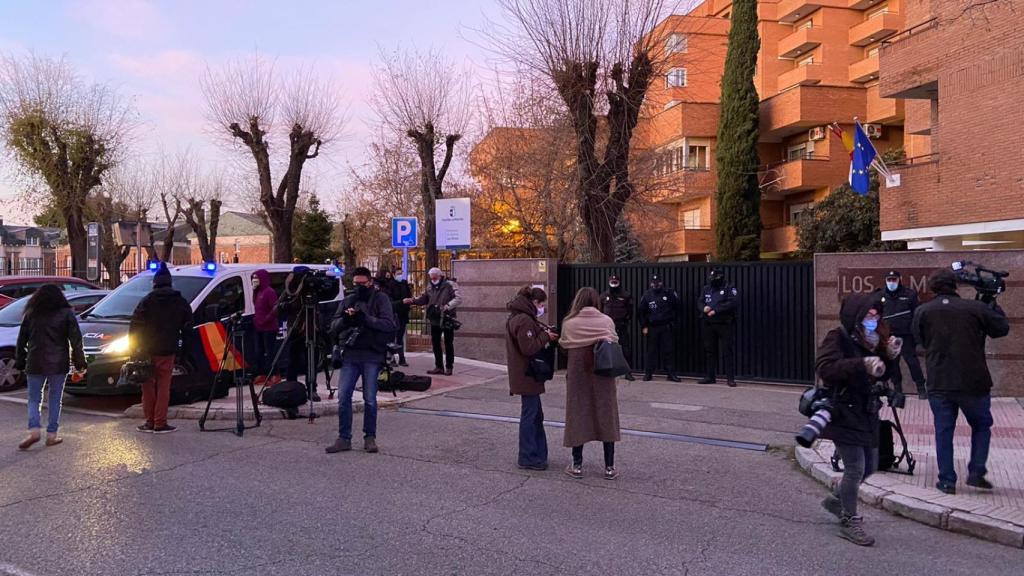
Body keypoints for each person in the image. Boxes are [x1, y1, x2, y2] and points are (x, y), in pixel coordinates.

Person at [912, 269, 1009, 495]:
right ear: (955, 286)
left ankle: (947, 481)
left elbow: (920, 340)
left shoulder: (923, 311)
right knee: (981, 425)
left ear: (933, 288)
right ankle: (976, 472)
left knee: (943, 431)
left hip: (939, 381)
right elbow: (1001, 328)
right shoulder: (975, 308)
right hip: (973, 381)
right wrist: (991, 303)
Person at [816, 293, 902, 547]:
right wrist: (860, 363)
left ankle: (837, 499)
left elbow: (882, 373)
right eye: (868, 314)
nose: (873, 319)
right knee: (854, 468)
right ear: (856, 315)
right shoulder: (839, 336)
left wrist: (889, 356)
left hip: (867, 411)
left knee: (871, 466)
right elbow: (826, 369)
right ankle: (849, 520)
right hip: (844, 410)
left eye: (876, 315)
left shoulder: (875, 339)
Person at [326, 267, 397, 454]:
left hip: (372, 355)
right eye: (355, 284)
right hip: (350, 354)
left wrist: (366, 319)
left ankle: (370, 437)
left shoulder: (380, 298)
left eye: (362, 284)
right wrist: (346, 321)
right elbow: (332, 327)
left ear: (370, 282)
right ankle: (344, 438)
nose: (359, 287)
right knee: (343, 398)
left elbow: (389, 324)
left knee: (370, 399)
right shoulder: (349, 299)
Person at [559, 287, 622, 480]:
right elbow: (615, 340)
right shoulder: (606, 321)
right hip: (603, 374)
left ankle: (577, 465)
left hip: (578, 375)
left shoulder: (569, 322)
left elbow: (563, 346)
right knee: (606, 415)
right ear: (596, 301)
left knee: (578, 415)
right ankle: (609, 467)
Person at [14, 284, 86, 450]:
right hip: (58, 362)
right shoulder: (66, 313)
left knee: (34, 398)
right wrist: (79, 362)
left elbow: (21, 339)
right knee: (55, 398)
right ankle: (52, 435)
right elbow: (76, 340)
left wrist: (20, 359)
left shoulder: (31, 313)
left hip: (35, 361)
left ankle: (34, 430)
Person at [129, 263, 193, 434]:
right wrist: (184, 351)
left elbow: (135, 326)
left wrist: (135, 349)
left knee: (148, 387)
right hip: (168, 350)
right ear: (170, 283)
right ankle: (160, 422)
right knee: (164, 387)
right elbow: (188, 328)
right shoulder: (180, 301)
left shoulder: (147, 301)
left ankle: (149, 421)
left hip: (146, 351)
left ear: (155, 283)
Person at [506, 286, 558, 470]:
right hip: (527, 374)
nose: (542, 307)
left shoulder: (517, 317)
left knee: (535, 414)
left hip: (524, 373)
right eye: (541, 303)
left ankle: (534, 455)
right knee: (531, 415)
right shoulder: (524, 320)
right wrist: (545, 337)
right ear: (533, 302)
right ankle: (529, 456)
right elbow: (528, 348)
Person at [404, 267, 462, 375]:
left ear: (440, 276)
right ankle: (439, 366)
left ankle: (449, 367)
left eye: (435, 277)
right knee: (435, 343)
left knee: (448, 343)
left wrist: (447, 306)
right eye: (432, 278)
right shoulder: (430, 286)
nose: (433, 279)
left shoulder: (450, 284)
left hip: (447, 317)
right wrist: (412, 300)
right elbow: (424, 298)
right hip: (435, 318)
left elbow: (458, 298)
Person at [879, 270, 927, 399]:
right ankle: (898, 389)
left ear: (899, 280)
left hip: (906, 336)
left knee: (912, 362)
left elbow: (917, 315)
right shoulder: (880, 295)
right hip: (889, 337)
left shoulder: (909, 294)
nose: (891, 282)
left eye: (894, 279)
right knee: (893, 365)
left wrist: (917, 336)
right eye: (889, 280)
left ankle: (921, 388)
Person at [698, 267, 739, 387]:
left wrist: (716, 310)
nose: (712, 280)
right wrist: (703, 308)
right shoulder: (706, 288)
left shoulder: (729, 288)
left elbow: (732, 303)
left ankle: (730, 378)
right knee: (710, 351)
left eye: (714, 278)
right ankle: (710, 376)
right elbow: (700, 301)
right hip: (709, 324)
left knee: (727, 351)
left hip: (724, 324)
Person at [638, 274, 681, 382]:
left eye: (658, 283)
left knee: (668, 351)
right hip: (653, 327)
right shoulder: (647, 295)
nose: (656, 285)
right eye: (653, 283)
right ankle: (648, 373)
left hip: (666, 326)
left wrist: (674, 322)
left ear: (661, 283)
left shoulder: (669, 293)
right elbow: (641, 312)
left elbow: (677, 307)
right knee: (651, 351)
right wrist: (644, 326)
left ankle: (670, 374)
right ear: (651, 283)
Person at [600, 274, 635, 381]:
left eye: (616, 281)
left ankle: (628, 372)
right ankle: (606, 371)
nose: (614, 283)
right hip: (607, 328)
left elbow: (630, 311)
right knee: (606, 349)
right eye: (612, 281)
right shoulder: (603, 296)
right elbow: (600, 310)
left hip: (621, 326)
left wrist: (625, 321)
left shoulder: (626, 295)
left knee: (625, 349)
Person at [377, 267, 412, 367]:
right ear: (393, 274)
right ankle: (391, 358)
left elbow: (409, 295)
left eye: (401, 273)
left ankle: (402, 358)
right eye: (398, 273)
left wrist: (409, 301)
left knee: (400, 337)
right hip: (393, 315)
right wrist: (402, 302)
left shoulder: (404, 284)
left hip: (403, 314)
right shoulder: (390, 285)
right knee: (392, 337)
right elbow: (389, 302)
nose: (400, 275)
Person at [251, 269, 280, 384]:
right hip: (259, 327)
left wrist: (265, 319)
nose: (254, 280)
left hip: (269, 328)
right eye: (253, 278)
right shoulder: (257, 292)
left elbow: (275, 309)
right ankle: (262, 373)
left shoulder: (269, 292)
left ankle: (275, 374)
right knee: (259, 351)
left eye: (256, 278)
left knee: (270, 351)